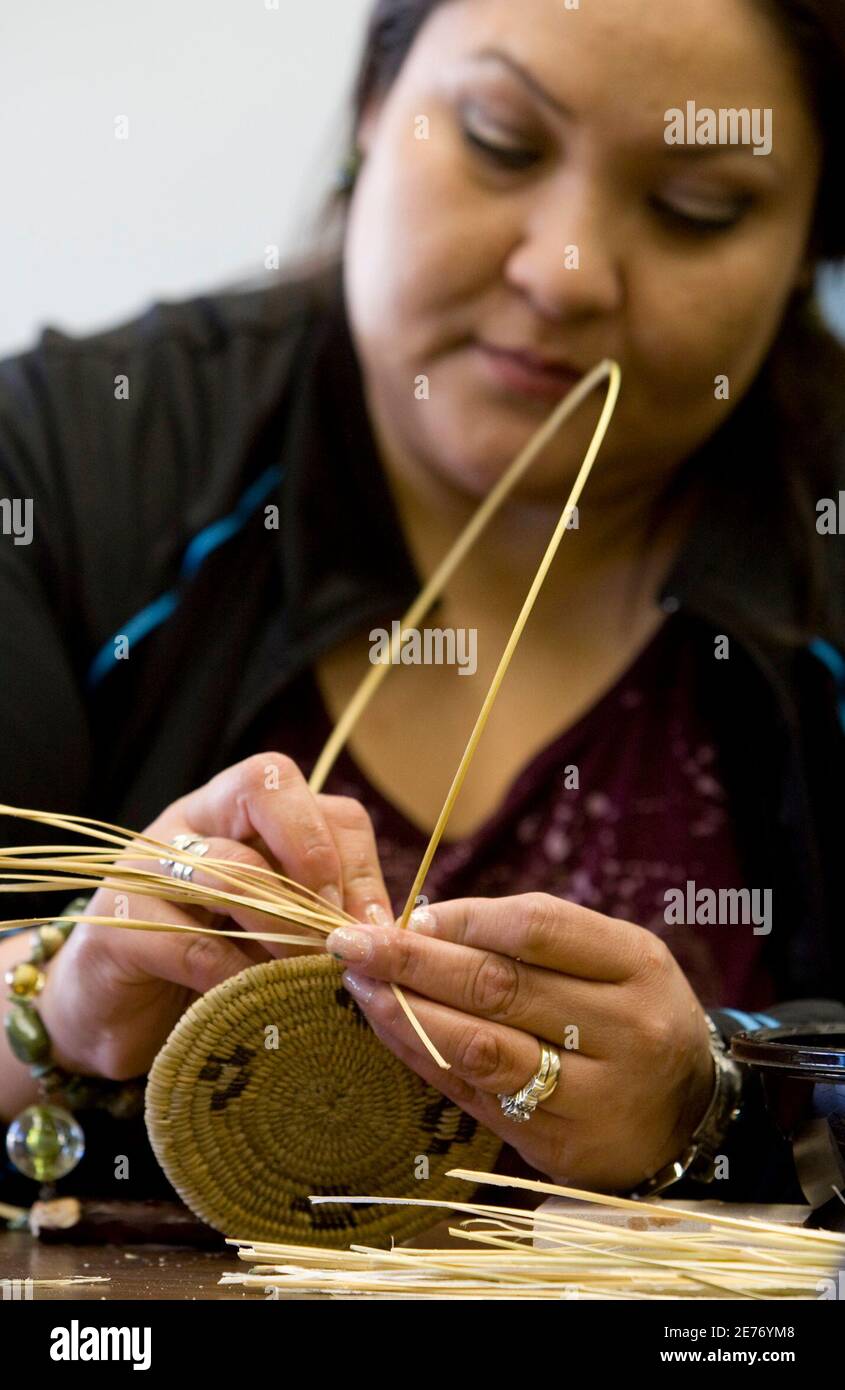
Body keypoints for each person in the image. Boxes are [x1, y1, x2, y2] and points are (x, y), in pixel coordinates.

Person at [2, 0, 845, 1212]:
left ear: (810, 236)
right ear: (371, 109)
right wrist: (50, 1004)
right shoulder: (62, 468)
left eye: (695, 207)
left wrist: (719, 1104)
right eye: (500, 140)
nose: (560, 276)